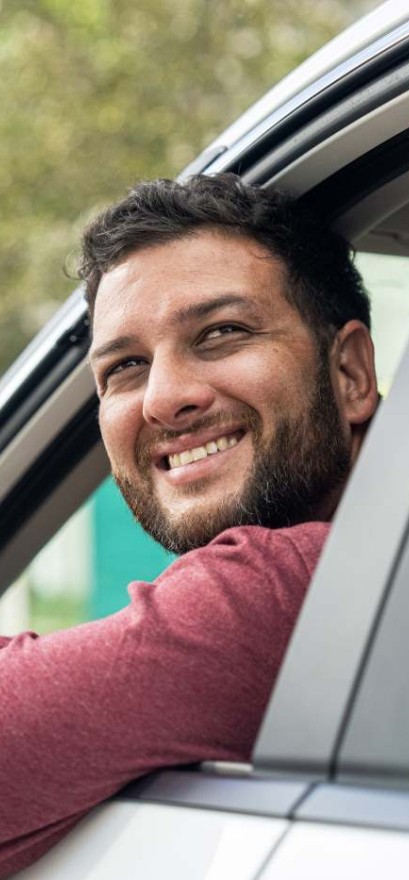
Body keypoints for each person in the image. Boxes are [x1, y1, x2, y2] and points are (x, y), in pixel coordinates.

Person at [0, 174, 379, 877]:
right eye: (126, 367)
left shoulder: (288, 590)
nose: (165, 398)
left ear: (351, 372)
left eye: (223, 333)